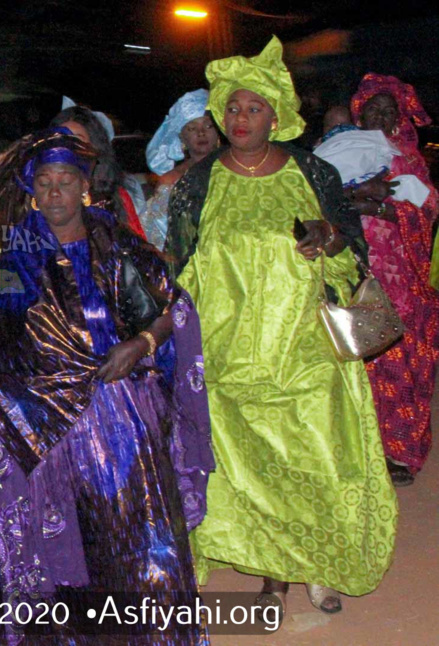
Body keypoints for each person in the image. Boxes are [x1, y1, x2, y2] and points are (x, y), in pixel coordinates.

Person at [0, 129, 213, 645]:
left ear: (84, 187)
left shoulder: (117, 242)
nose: (54, 194)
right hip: (37, 419)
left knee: (128, 531)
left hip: (117, 412)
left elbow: (171, 309)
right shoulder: (16, 256)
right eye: (43, 183)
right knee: (54, 538)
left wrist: (139, 345)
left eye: (65, 182)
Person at [166, 37, 397, 616]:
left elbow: (353, 247)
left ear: (276, 115)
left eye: (254, 109)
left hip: (304, 350)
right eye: (233, 109)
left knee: (313, 456)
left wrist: (330, 237)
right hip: (226, 354)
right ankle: (271, 573)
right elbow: (177, 263)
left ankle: (315, 564)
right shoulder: (199, 183)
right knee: (246, 468)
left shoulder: (311, 171)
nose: (241, 119)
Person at [347, 73, 439, 486]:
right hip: (354, 275)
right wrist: (355, 199)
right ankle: (360, 451)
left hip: (403, 280)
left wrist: (382, 207)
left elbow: (427, 212)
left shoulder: (410, 158)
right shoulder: (340, 150)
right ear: (359, 112)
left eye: (390, 112)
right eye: (374, 110)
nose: (382, 118)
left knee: (401, 366)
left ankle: (399, 453)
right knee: (359, 365)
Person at [50, 104, 146, 237]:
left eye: (77, 140)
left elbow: (136, 246)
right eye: (62, 139)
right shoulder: (39, 196)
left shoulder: (115, 196)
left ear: (94, 148)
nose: (69, 147)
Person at [142, 89, 219, 249]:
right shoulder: (171, 180)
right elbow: (158, 235)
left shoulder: (236, 167)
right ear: (181, 137)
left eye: (208, 126)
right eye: (192, 128)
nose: (201, 133)